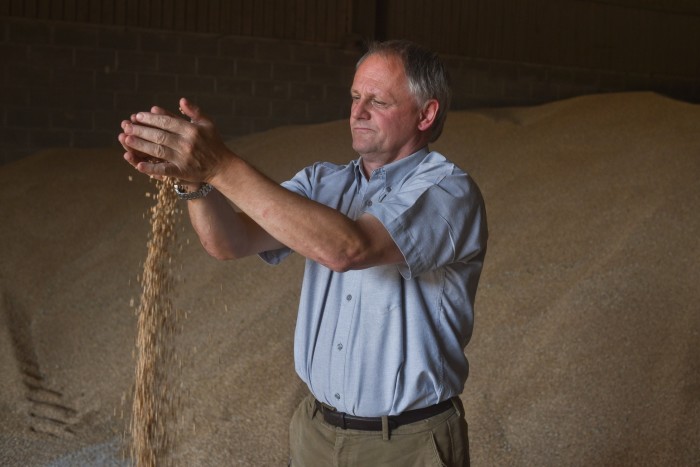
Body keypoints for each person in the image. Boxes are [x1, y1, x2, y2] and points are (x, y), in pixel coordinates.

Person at [119, 40, 487, 467]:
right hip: (316, 433)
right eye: (354, 96)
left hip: (407, 445)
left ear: (426, 114)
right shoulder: (322, 183)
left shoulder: (448, 191)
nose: (358, 111)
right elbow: (229, 241)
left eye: (378, 101)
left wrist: (220, 165)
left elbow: (349, 247)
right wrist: (195, 182)